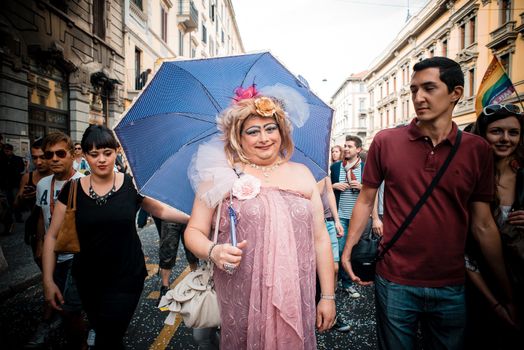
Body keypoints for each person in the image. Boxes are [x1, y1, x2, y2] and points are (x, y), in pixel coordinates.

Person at [340, 57, 516, 350]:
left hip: (451, 282)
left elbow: (483, 223)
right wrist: (349, 249)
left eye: (429, 88)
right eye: (414, 90)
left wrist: (506, 293)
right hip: (395, 279)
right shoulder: (386, 141)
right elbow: (366, 198)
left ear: (455, 92)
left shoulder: (477, 150)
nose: (418, 98)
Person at [184, 86, 336, 349]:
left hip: (296, 293)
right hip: (242, 294)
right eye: (253, 131)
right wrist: (213, 251)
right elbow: (193, 231)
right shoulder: (220, 174)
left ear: (282, 131)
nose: (264, 138)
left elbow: (320, 239)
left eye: (271, 128)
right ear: (238, 137)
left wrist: (328, 296)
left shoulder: (302, 174)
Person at [42, 124, 189, 349]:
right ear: (83, 155)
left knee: (108, 336)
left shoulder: (131, 185)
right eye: (94, 154)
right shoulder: (71, 190)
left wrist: (196, 218)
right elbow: (51, 236)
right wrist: (48, 280)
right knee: (105, 334)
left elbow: (160, 210)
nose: (101, 159)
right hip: (88, 279)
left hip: (127, 277)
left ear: (116, 152)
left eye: (107, 153)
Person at [464, 103, 524, 349]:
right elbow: (464, 250)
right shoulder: (468, 179)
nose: (505, 139)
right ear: (482, 133)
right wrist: (496, 303)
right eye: (496, 131)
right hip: (479, 287)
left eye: (513, 132)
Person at [28, 132, 85, 348]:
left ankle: (81, 343)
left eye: (60, 153)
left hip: (78, 255)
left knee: (71, 306)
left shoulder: (83, 182)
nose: (53, 159)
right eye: (48, 154)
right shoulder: (43, 184)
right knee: (56, 298)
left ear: (71, 155)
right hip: (53, 254)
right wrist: (41, 243)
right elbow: (43, 216)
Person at [330, 135, 364, 298]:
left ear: (358, 150)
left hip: (359, 217)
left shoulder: (365, 167)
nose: (346, 148)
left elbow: (374, 190)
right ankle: (345, 284)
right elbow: (324, 188)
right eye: (345, 145)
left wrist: (362, 187)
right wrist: (333, 185)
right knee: (341, 250)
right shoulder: (336, 167)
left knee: (355, 251)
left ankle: (352, 279)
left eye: (350, 146)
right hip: (341, 215)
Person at [317, 176, 350, 332]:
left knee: (334, 268)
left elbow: (329, 193)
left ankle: (330, 308)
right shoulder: (297, 172)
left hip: (328, 222)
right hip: (311, 222)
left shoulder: (321, 170)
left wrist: (337, 221)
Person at [14, 138, 52, 267]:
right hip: (36, 230)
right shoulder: (27, 177)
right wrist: (22, 197)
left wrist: (41, 194)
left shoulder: (58, 175)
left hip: (56, 230)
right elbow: (16, 206)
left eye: (42, 157)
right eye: (34, 158)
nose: (38, 162)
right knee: (42, 264)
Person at [157, 220, 199, 304]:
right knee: (167, 252)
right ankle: (165, 288)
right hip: (171, 216)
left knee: (192, 252)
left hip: (190, 217)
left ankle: (196, 283)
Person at [0, 143, 25, 228]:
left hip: (15, 183)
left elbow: (21, 169)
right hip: (5, 185)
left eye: (8, 150)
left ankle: (18, 217)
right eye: (5, 150)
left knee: (16, 201)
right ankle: (9, 219)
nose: (6, 152)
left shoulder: (17, 159)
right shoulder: (2, 159)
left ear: (11, 150)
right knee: (8, 202)